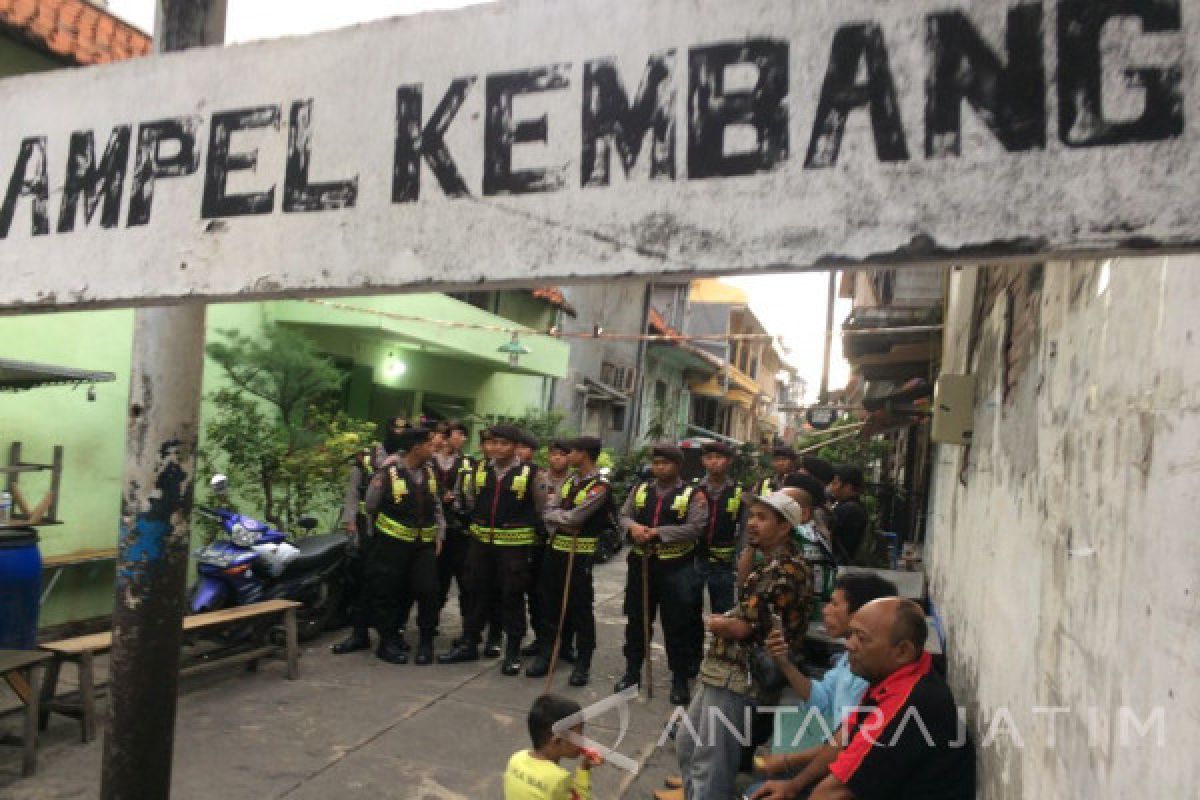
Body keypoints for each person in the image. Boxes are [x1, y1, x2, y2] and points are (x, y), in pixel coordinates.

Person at [751, 598, 975, 800]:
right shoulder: (895, 677)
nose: (849, 644)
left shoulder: (908, 704)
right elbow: (844, 739)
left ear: (902, 651)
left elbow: (832, 793)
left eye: (862, 638)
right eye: (851, 634)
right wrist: (794, 785)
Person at [676, 489, 814, 800]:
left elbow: (743, 628)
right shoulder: (770, 562)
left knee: (710, 763)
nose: (752, 523)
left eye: (762, 518)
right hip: (722, 669)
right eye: (751, 516)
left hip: (739, 677)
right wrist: (751, 549)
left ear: (784, 527)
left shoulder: (785, 570)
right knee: (688, 746)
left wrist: (717, 623)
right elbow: (742, 587)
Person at [747, 572, 898, 794]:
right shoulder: (848, 661)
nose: (825, 610)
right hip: (834, 761)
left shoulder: (871, 677)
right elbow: (822, 698)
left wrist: (787, 761)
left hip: (849, 775)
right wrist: (784, 663)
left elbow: (848, 745)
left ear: (860, 615)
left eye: (835, 604)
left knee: (757, 790)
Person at [440, 425, 545, 675]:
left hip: (514, 548)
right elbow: (470, 501)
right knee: (476, 593)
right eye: (492, 443)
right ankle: (469, 643)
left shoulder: (532, 474)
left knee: (512, 597)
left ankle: (512, 652)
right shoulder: (479, 470)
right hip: (480, 545)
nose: (496, 448)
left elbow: (541, 509)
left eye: (503, 443)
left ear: (516, 446)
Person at [615, 443, 707, 706]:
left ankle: (679, 678)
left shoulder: (693, 494)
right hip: (642, 565)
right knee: (637, 621)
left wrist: (658, 532)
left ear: (677, 466)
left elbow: (695, 527)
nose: (659, 468)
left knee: (677, 625)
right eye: (656, 463)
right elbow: (624, 515)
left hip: (676, 567)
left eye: (665, 463)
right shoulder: (640, 489)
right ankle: (632, 674)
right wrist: (633, 528)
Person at [527, 436, 612, 686]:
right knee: (548, 604)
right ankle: (547, 653)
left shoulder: (600, 486)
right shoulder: (571, 482)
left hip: (580, 554)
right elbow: (547, 511)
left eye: (572, 451)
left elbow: (577, 517)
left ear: (583, 454)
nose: (567, 455)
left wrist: (559, 517)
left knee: (580, 609)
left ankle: (583, 663)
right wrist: (559, 517)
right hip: (556, 550)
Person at [362, 426, 445, 665]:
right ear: (416, 448)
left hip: (424, 545)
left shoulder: (430, 472)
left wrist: (439, 534)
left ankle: (426, 643)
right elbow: (370, 505)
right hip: (392, 543)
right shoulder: (388, 472)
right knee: (388, 592)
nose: (434, 448)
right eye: (429, 445)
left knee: (428, 590)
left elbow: (436, 506)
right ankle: (387, 642)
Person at [332, 417, 403, 655]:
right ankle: (359, 633)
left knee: (392, 587)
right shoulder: (368, 456)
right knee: (364, 582)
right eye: (395, 428)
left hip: (396, 534)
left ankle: (391, 636)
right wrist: (350, 522)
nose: (399, 433)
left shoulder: (409, 459)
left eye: (404, 429)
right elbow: (353, 492)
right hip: (368, 530)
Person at [525, 438, 576, 660]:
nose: (557, 458)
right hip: (539, 540)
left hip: (564, 541)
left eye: (562, 454)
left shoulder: (575, 481)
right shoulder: (538, 478)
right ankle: (541, 638)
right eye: (553, 454)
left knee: (565, 593)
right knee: (538, 593)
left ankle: (565, 643)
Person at [504, 694, 599, 800]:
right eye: (579, 735)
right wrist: (584, 770)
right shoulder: (558, 779)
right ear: (557, 741)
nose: (583, 739)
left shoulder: (516, 758)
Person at [433, 421, 476, 635]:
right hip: (433, 529)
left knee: (466, 582)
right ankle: (429, 625)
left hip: (460, 530)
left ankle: (469, 630)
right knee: (434, 581)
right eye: (460, 434)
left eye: (464, 435)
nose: (462, 439)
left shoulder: (468, 463)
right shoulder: (430, 461)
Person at [694, 440, 741, 615]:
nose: (714, 461)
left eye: (719, 457)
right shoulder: (693, 490)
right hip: (695, 559)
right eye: (709, 457)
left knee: (723, 612)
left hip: (724, 563)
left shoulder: (738, 491)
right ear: (703, 461)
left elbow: (744, 529)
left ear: (728, 461)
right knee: (688, 608)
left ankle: (721, 643)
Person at [829, 466, 869, 564]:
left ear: (848, 487)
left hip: (841, 564)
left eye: (835, 483)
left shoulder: (849, 509)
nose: (831, 487)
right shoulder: (853, 506)